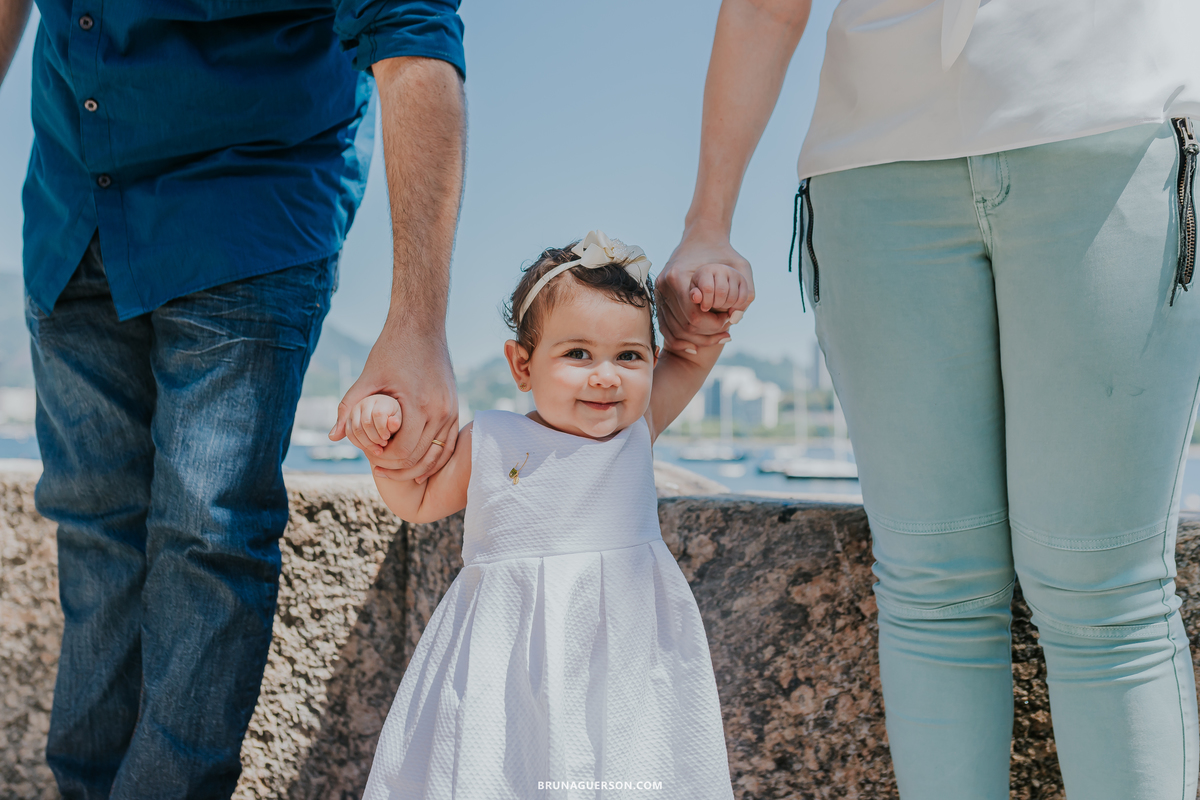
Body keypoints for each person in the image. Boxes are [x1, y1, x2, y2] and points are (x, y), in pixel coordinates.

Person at [656, 0, 1200, 798]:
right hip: (872, 161)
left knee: (1102, 590)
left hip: (1111, 124)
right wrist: (707, 219)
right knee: (933, 586)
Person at [0, 0, 467, 796]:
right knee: (93, 528)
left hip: (248, 205)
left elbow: (413, 31)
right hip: (74, 206)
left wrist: (417, 324)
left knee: (208, 535)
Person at [344, 232, 746, 798]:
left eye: (628, 356)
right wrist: (382, 442)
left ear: (652, 363)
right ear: (522, 365)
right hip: (507, 660)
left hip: (623, 663)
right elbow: (415, 500)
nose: (606, 375)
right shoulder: (491, 441)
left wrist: (713, 300)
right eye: (577, 353)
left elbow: (696, 349)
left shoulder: (638, 426)